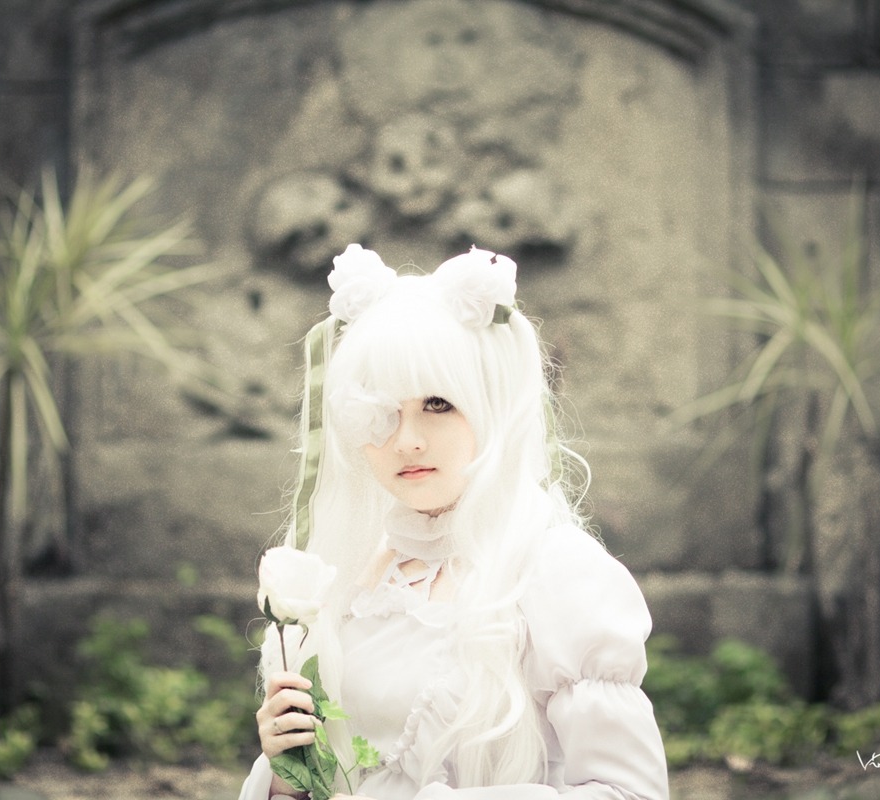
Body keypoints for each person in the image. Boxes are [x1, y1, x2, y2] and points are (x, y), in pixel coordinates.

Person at [240, 244, 669, 800]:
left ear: (491, 406)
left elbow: (630, 793)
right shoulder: (354, 578)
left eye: (437, 404)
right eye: (384, 412)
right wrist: (287, 772)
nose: (407, 439)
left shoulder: (556, 570)